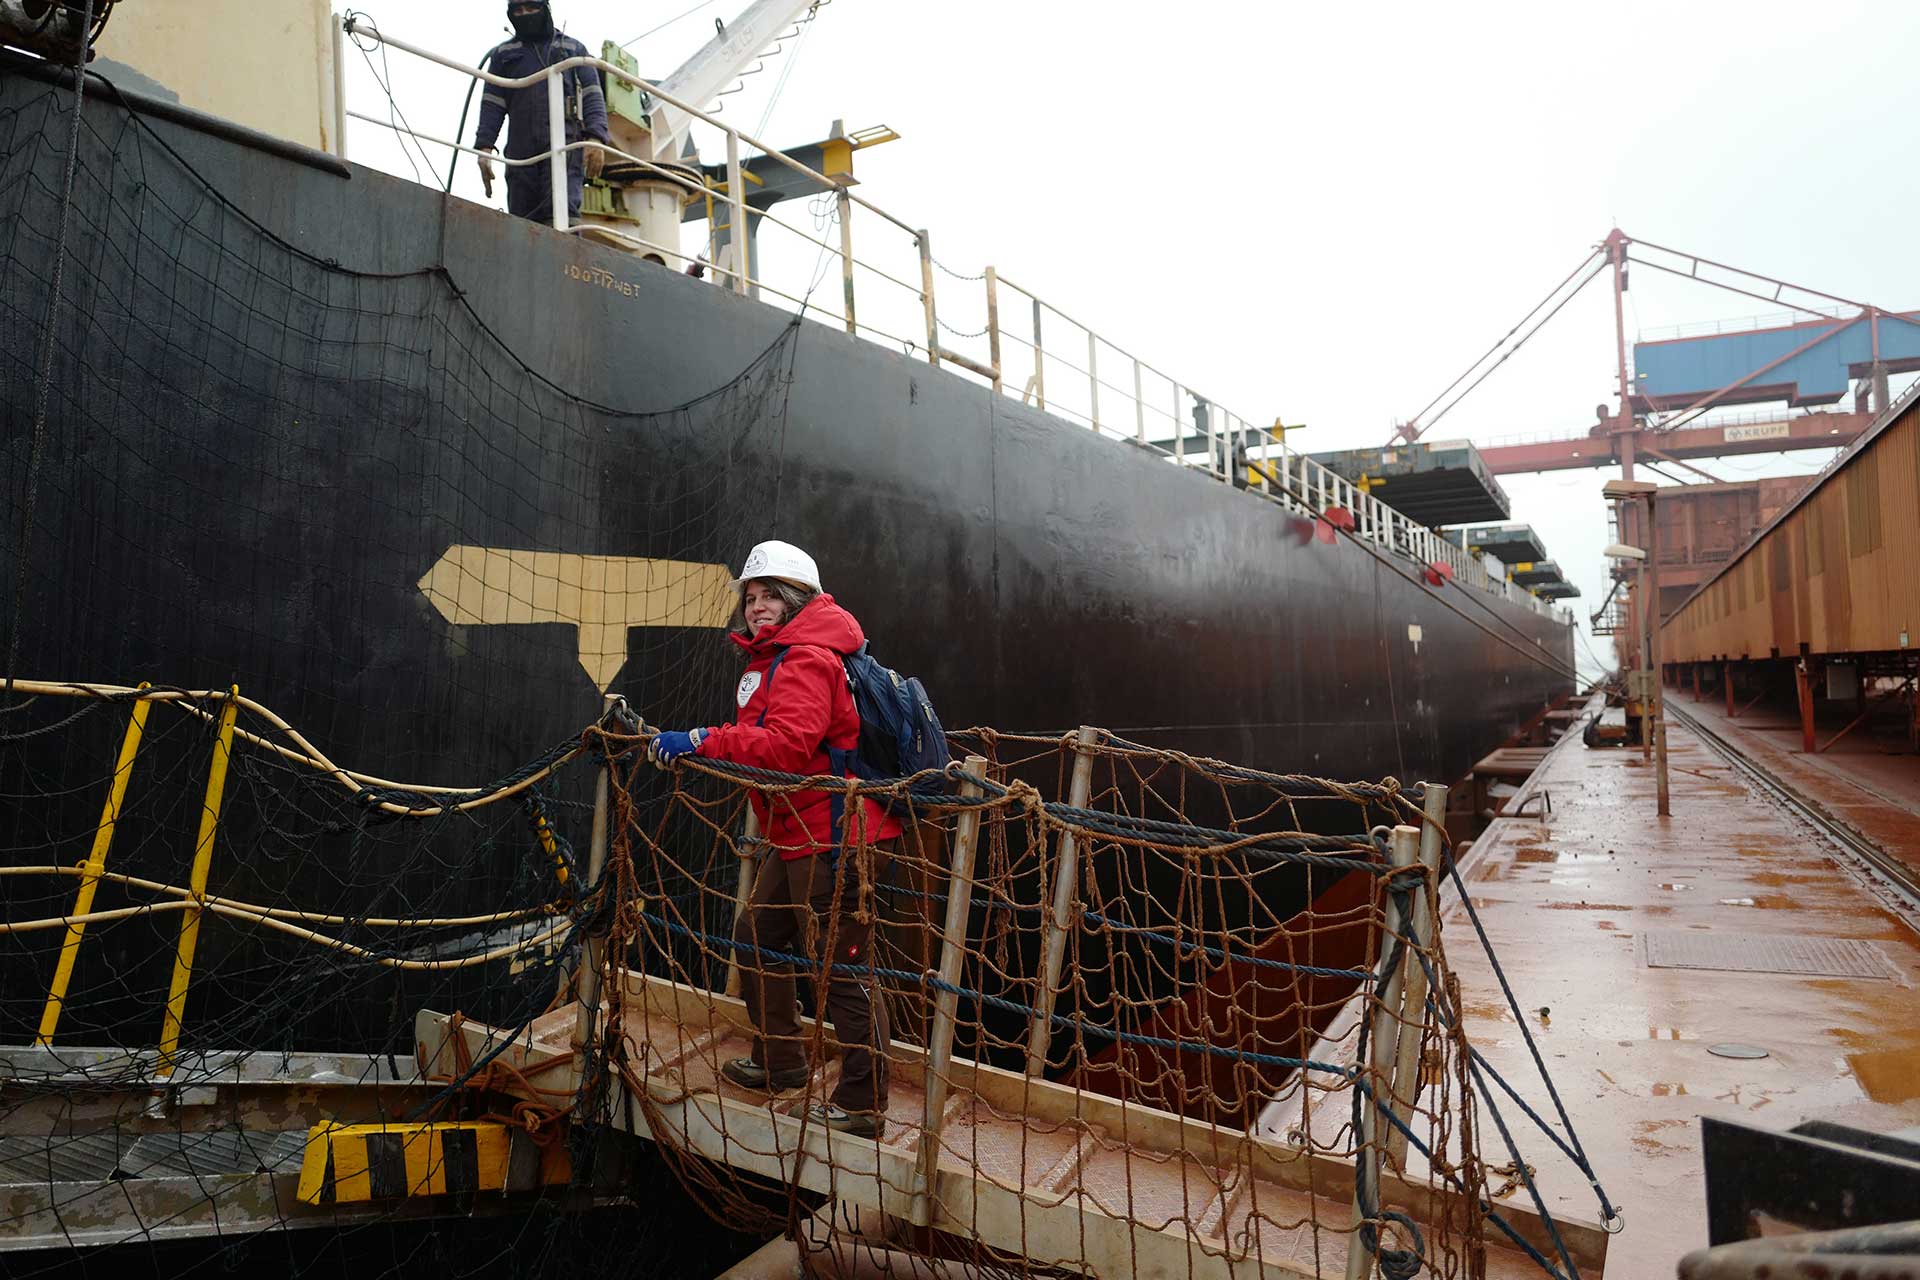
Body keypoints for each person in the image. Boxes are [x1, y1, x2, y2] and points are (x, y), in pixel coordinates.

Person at [651, 540, 902, 1137]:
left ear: (797, 601)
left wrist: (702, 739)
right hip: (797, 831)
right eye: (751, 597)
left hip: (836, 833)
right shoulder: (773, 658)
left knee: (843, 966)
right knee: (758, 935)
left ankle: (863, 1106)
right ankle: (782, 1061)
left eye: (770, 596)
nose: (757, 606)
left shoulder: (808, 658)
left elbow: (788, 749)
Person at [474, 1, 610, 224]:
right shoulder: (503, 55)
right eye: (518, 11)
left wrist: (596, 138)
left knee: (563, 215)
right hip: (520, 150)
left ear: (545, 9)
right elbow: (492, 104)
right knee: (521, 219)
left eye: (531, 8)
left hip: (564, 145)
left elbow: (592, 95)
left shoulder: (573, 50)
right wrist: (484, 147)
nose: (525, 14)